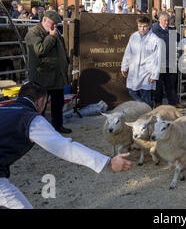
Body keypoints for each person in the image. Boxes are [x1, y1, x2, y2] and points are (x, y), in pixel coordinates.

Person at [0, 81, 133, 209]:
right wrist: (108, 162)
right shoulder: (30, 119)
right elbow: (64, 147)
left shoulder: (3, 108)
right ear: (41, 102)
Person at [24, 10, 71, 134]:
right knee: (41, 105)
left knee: (58, 103)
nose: (55, 26)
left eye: (56, 24)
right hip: (42, 76)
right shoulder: (33, 32)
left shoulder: (55, 33)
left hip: (56, 76)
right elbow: (39, 50)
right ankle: (39, 130)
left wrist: (65, 61)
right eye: (53, 23)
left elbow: (62, 48)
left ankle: (57, 126)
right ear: (44, 20)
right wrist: (51, 37)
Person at [121, 16, 161, 108]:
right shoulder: (134, 36)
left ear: (149, 26)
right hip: (134, 69)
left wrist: (154, 75)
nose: (142, 29)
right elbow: (128, 52)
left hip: (147, 71)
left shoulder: (154, 39)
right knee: (131, 90)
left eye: (144, 26)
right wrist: (124, 67)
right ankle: (147, 109)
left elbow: (157, 58)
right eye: (140, 26)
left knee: (145, 94)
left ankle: (146, 114)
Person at [152, 12, 186, 109]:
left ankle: (174, 102)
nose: (167, 23)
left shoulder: (171, 30)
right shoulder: (154, 30)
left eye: (168, 20)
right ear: (159, 20)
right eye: (165, 21)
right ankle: (157, 103)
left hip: (171, 61)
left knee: (171, 85)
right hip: (158, 62)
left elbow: (181, 38)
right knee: (158, 85)